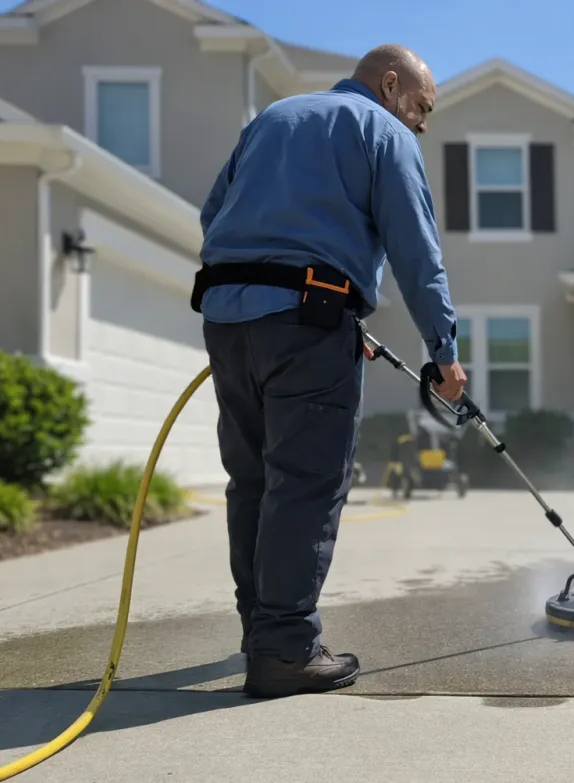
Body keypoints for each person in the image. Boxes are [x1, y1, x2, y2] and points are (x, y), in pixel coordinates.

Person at [191, 44, 467, 699]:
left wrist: (326, 303)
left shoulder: (273, 118)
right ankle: (286, 649)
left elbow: (212, 214)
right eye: (421, 106)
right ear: (390, 85)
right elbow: (416, 252)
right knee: (306, 483)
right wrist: (444, 353)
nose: (423, 122)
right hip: (307, 325)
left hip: (228, 321)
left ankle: (261, 634)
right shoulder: (383, 134)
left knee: (254, 482)